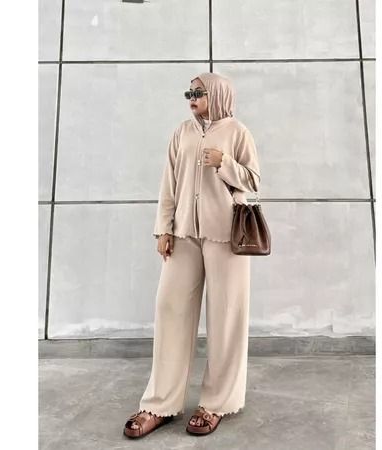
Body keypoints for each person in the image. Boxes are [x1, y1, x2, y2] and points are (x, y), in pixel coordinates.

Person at [123, 72, 261, 438]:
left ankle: (216, 403)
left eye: (198, 92)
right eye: (189, 92)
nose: (191, 97)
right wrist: (163, 228)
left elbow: (253, 180)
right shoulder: (181, 133)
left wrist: (224, 162)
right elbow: (168, 183)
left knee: (226, 317)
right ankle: (159, 403)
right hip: (184, 234)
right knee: (169, 309)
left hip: (227, 236)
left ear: (217, 94)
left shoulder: (238, 132)